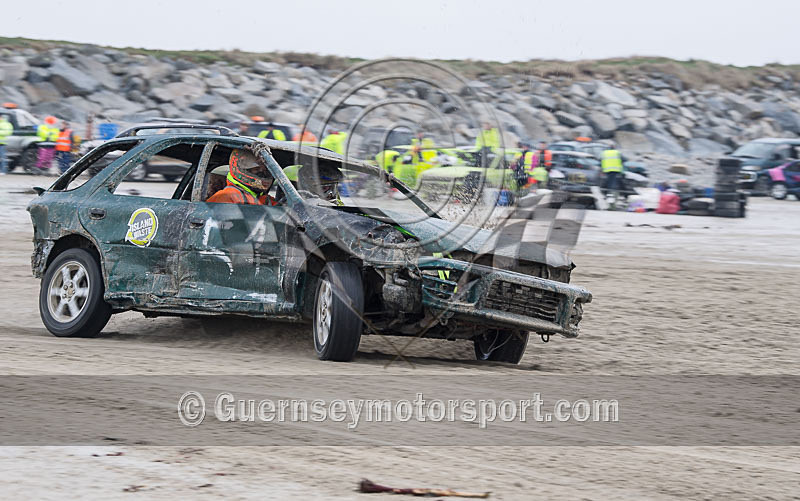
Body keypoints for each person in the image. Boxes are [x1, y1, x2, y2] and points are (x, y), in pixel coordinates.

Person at [206, 149, 276, 205]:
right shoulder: (227, 196)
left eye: (264, 170)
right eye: (257, 169)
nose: (262, 173)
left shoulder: (264, 198)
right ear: (243, 169)